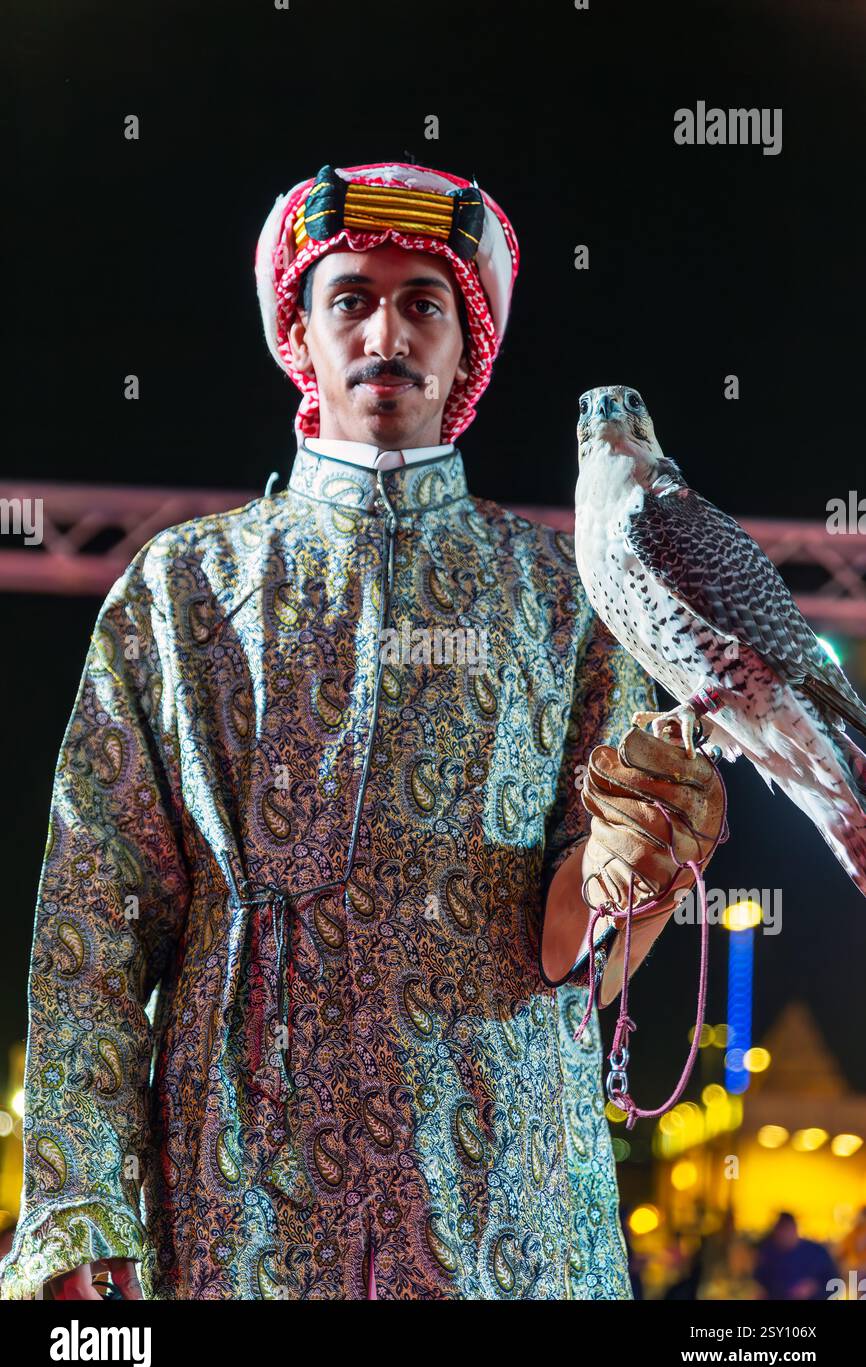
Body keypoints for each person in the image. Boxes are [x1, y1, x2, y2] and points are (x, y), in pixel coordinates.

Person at [0, 161, 718, 1301]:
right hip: (232, 1188)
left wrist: (635, 862)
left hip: (506, 1198)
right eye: (350, 298)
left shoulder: (563, 594)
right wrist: (78, 1201)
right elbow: (95, 920)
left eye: (422, 302)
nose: (385, 329)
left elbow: (572, 941)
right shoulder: (182, 591)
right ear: (300, 330)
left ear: (464, 345)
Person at [754, 1212, 839, 1301]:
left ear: (794, 1229)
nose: (784, 1235)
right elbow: (760, 1285)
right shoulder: (769, 1254)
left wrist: (814, 1289)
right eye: (781, 1231)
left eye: (787, 1230)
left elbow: (836, 1285)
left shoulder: (818, 1253)